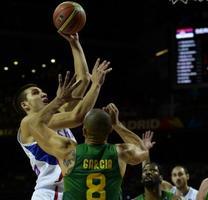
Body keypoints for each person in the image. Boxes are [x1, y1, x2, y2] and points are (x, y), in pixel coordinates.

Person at [14, 32, 112, 200]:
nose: (43, 93)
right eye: (36, 93)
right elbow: (77, 117)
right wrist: (96, 85)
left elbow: (82, 79)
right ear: (25, 105)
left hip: (72, 190)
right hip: (49, 192)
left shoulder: (57, 115)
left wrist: (75, 44)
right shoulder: (28, 122)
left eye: (42, 91)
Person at [26, 74, 149, 200]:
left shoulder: (68, 151)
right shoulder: (121, 152)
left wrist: (59, 100)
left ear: (84, 131)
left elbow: (34, 124)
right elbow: (144, 151)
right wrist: (118, 125)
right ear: (110, 130)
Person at [133, 131, 181, 200]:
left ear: (161, 178)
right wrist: (145, 151)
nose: (148, 172)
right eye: (145, 171)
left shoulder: (174, 198)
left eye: (153, 170)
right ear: (141, 179)